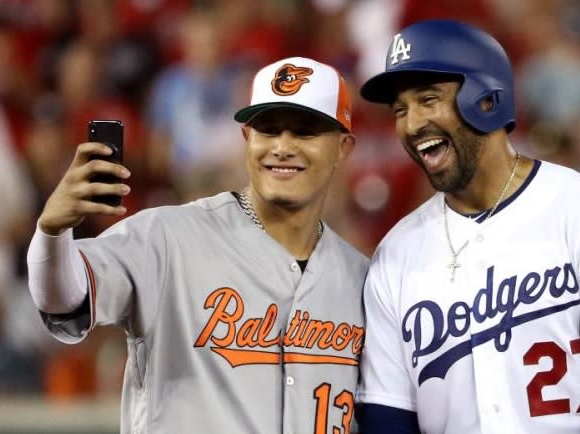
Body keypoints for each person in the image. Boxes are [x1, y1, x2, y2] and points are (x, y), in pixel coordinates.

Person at [355, 19, 580, 433]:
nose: (410, 125)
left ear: (486, 100)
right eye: (400, 110)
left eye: (428, 100)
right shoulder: (395, 256)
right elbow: (388, 421)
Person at [26, 56, 367, 434]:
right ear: (247, 139)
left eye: (305, 132)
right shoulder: (167, 237)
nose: (282, 146)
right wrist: (52, 233)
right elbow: (64, 299)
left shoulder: (362, 279)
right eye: (268, 130)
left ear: (343, 148)